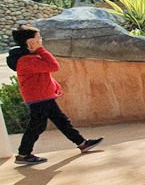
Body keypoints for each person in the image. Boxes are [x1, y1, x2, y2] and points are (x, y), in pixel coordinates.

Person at [6, 25, 102, 165]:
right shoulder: (27, 60)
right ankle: (23, 154)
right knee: (37, 126)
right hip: (38, 98)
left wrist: (54, 87)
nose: (41, 41)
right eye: (38, 39)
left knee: (61, 121)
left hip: (43, 96)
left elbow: (44, 75)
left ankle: (82, 143)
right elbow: (53, 66)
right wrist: (39, 49)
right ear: (30, 42)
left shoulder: (30, 58)